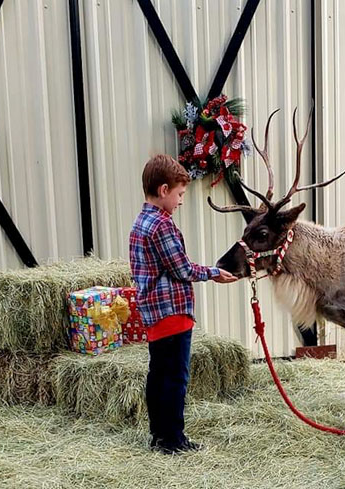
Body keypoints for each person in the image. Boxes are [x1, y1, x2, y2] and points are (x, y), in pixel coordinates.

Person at [129, 154, 237, 454]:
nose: (180, 201)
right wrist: (214, 273)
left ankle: (158, 435)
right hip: (172, 313)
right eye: (179, 194)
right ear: (163, 190)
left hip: (152, 312)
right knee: (176, 377)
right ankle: (174, 440)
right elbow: (183, 269)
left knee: (158, 374)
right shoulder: (161, 225)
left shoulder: (140, 222)